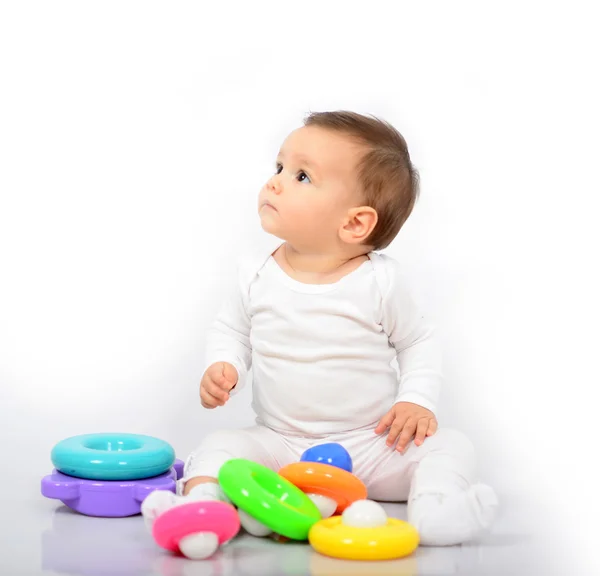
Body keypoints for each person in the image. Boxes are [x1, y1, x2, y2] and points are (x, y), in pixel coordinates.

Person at [142, 110, 498, 554]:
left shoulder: (380, 282)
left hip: (371, 442)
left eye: (302, 176)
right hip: (279, 444)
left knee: (450, 446)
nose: (275, 182)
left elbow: (417, 342)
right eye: (279, 168)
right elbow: (231, 329)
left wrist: (415, 401)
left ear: (354, 223)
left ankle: (437, 508)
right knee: (222, 445)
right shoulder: (255, 274)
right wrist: (225, 363)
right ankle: (201, 506)